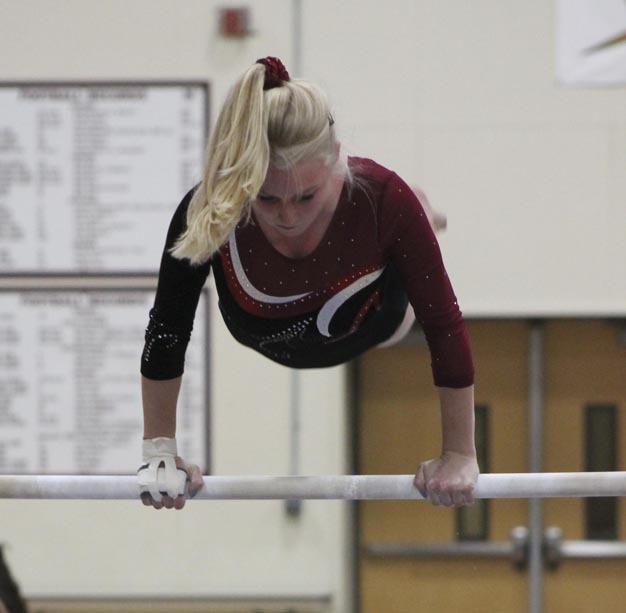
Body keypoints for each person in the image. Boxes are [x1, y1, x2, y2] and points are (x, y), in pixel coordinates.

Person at [138, 57, 478, 511]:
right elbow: (168, 327)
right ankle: (423, 219)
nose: (288, 216)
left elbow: (444, 325)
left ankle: (424, 217)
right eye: (267, 197)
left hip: (376, 322)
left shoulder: (380, 199)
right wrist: (158, 452)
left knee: (406, 211)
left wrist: (459, 453)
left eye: (306, 196)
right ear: (242, 181)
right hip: (262, 336)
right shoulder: (211, 208)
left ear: (337, 156)